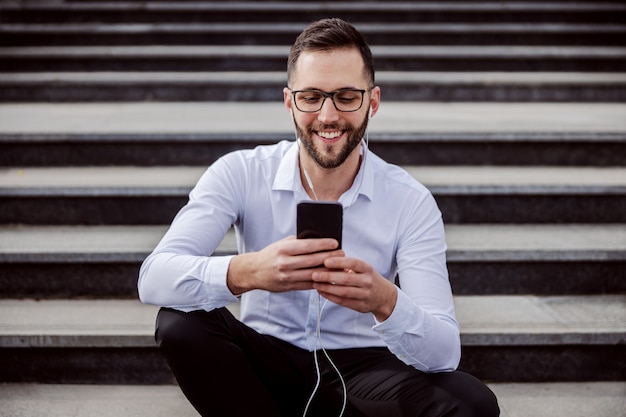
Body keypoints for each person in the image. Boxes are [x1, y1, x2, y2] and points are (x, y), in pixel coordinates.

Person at [138, 18, 499, 417]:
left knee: (472, 403)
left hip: (365, 373)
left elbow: (444, 351)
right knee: (179, 323)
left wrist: (385, 300)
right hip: (265, 363)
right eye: (311, 97)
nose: (328, 115)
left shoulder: (410, 200)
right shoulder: (239, 172)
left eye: (346, 96)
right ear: (290, 102)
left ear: (373, 102)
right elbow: (153, 277)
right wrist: (248, 272)